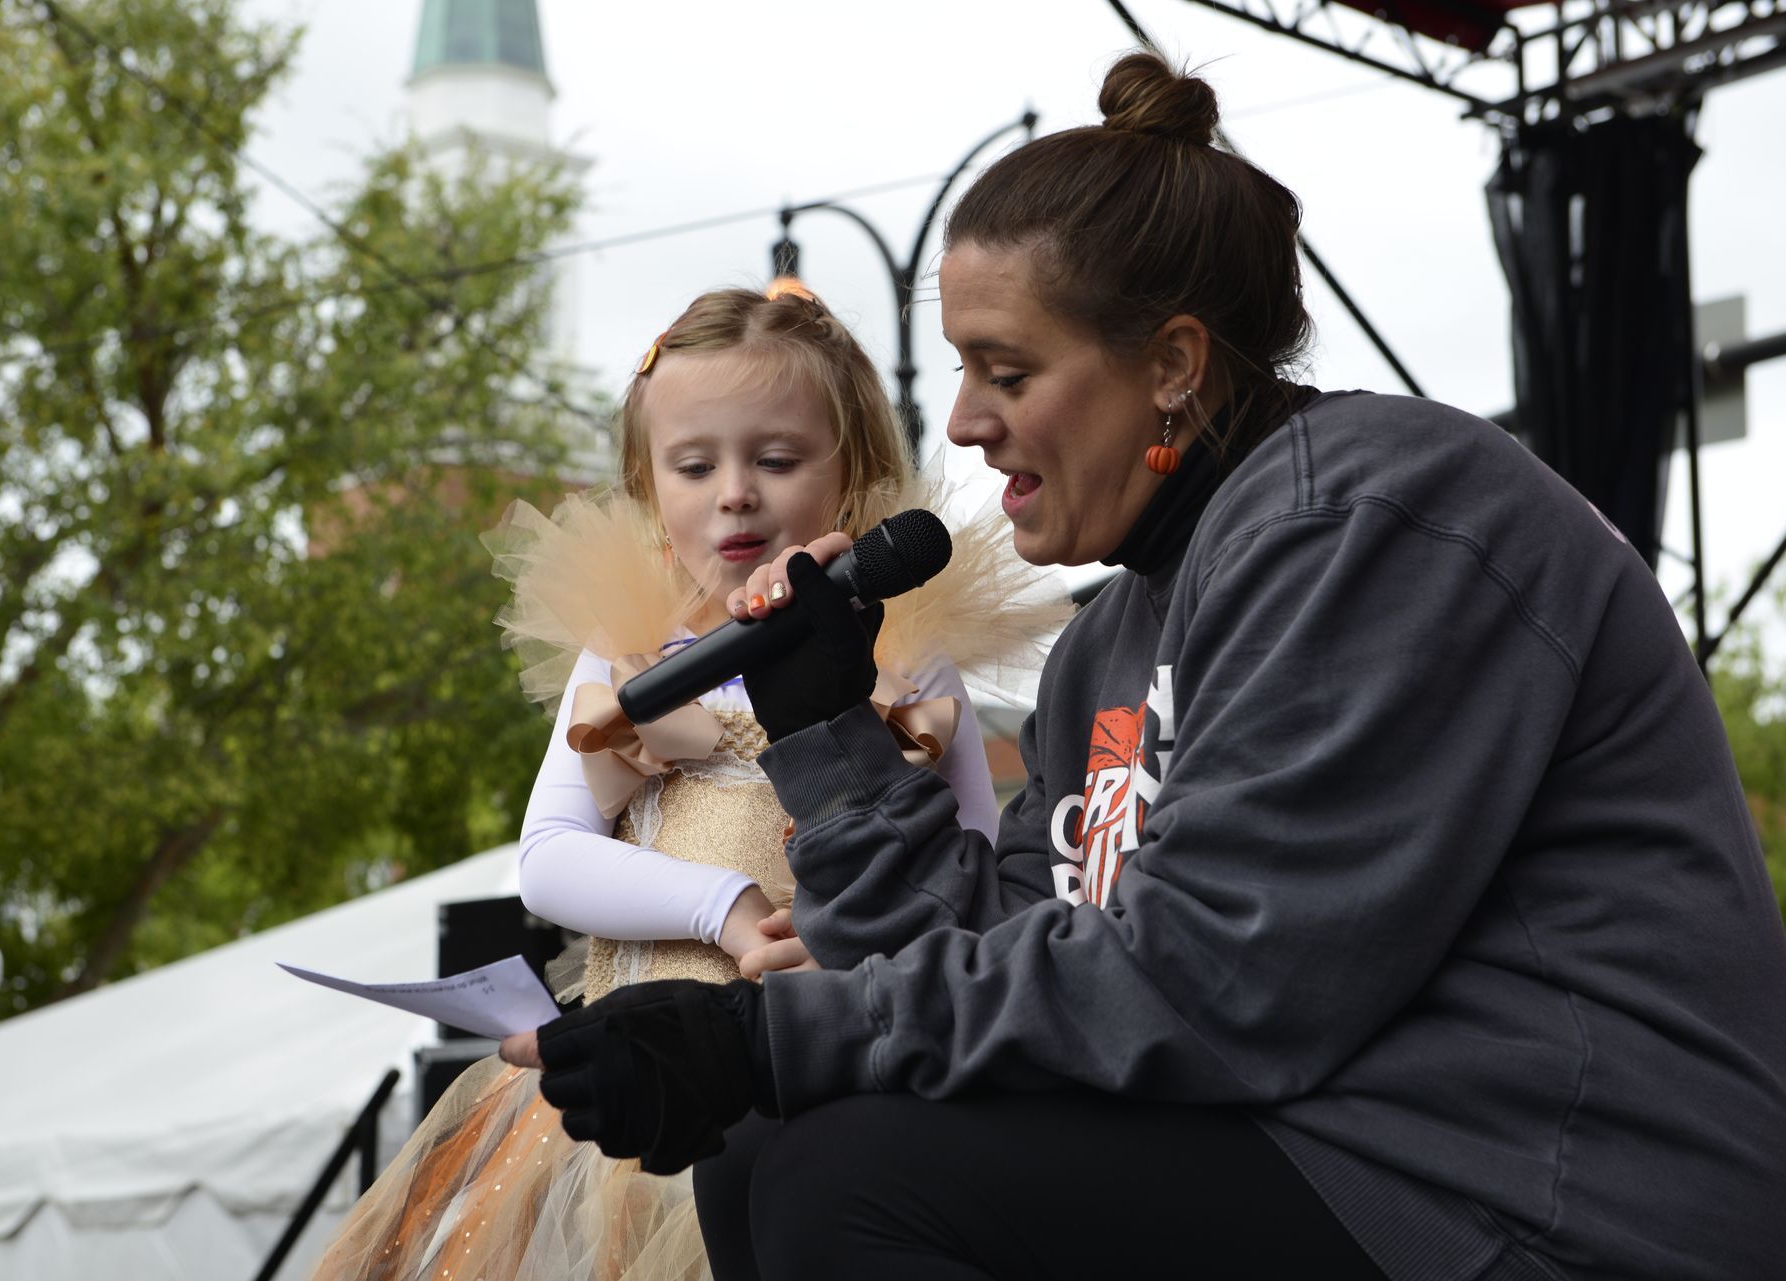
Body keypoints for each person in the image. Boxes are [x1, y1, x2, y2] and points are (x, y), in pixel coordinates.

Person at [523, 54, 1786, 1281]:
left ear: (1173, 366)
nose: (961, 420)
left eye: (1005, 371)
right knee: (761, 1152)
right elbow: (975, 961)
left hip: (1543, 1198)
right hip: (1334, 1150)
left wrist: (770, 1035)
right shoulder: (1111, 640)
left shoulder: (1368, 520)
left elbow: (1222, 982)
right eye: (960, 368)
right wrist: (832, 736)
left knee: (845, 1174)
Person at [306, 286, 1062, 1281]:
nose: (735, 492)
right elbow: (549, 860)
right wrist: (731, 910)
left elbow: (968, 885)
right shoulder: (626, 655)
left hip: (827, 1079)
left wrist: (845, 956)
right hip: (644, 1096)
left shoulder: (909, 660)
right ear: (647, 481)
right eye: (695, 465)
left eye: (777, 459)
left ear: (854, 472)